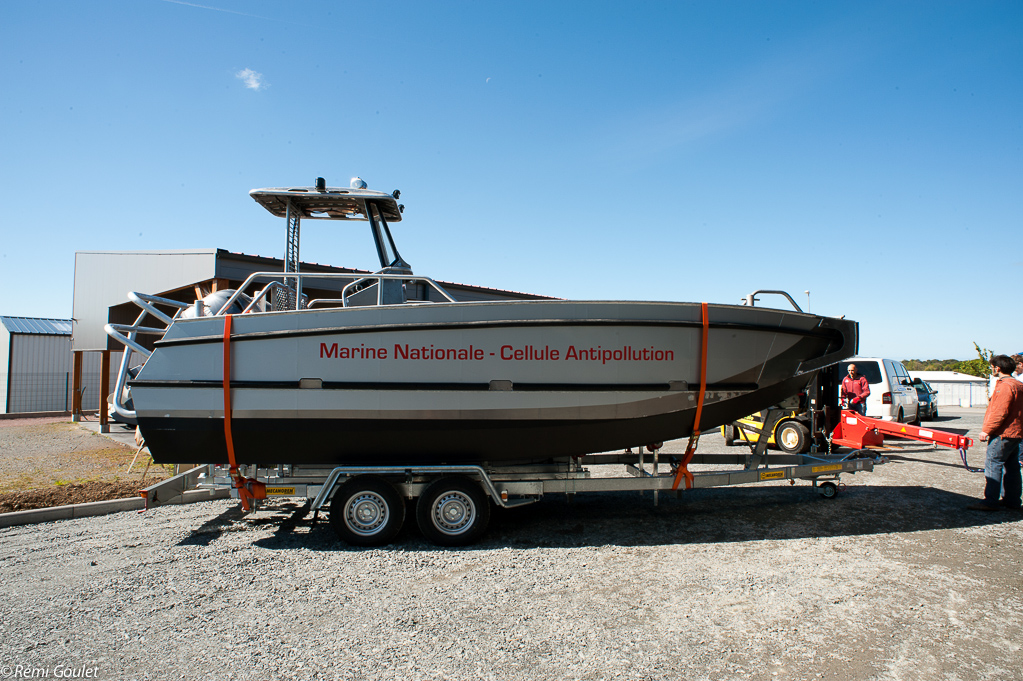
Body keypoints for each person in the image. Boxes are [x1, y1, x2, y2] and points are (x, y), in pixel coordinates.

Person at [967, 354, 1023, 511]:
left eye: (992, 367)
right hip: (1016, 434)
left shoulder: (1004, 386)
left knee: (993, 464)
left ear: (997, 368)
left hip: (1002, 434)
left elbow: (1000, 411)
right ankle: (1012, 501)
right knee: (1012, 467)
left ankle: (990, 501)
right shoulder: (1018, 384)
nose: (991, 369)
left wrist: (986, 430)